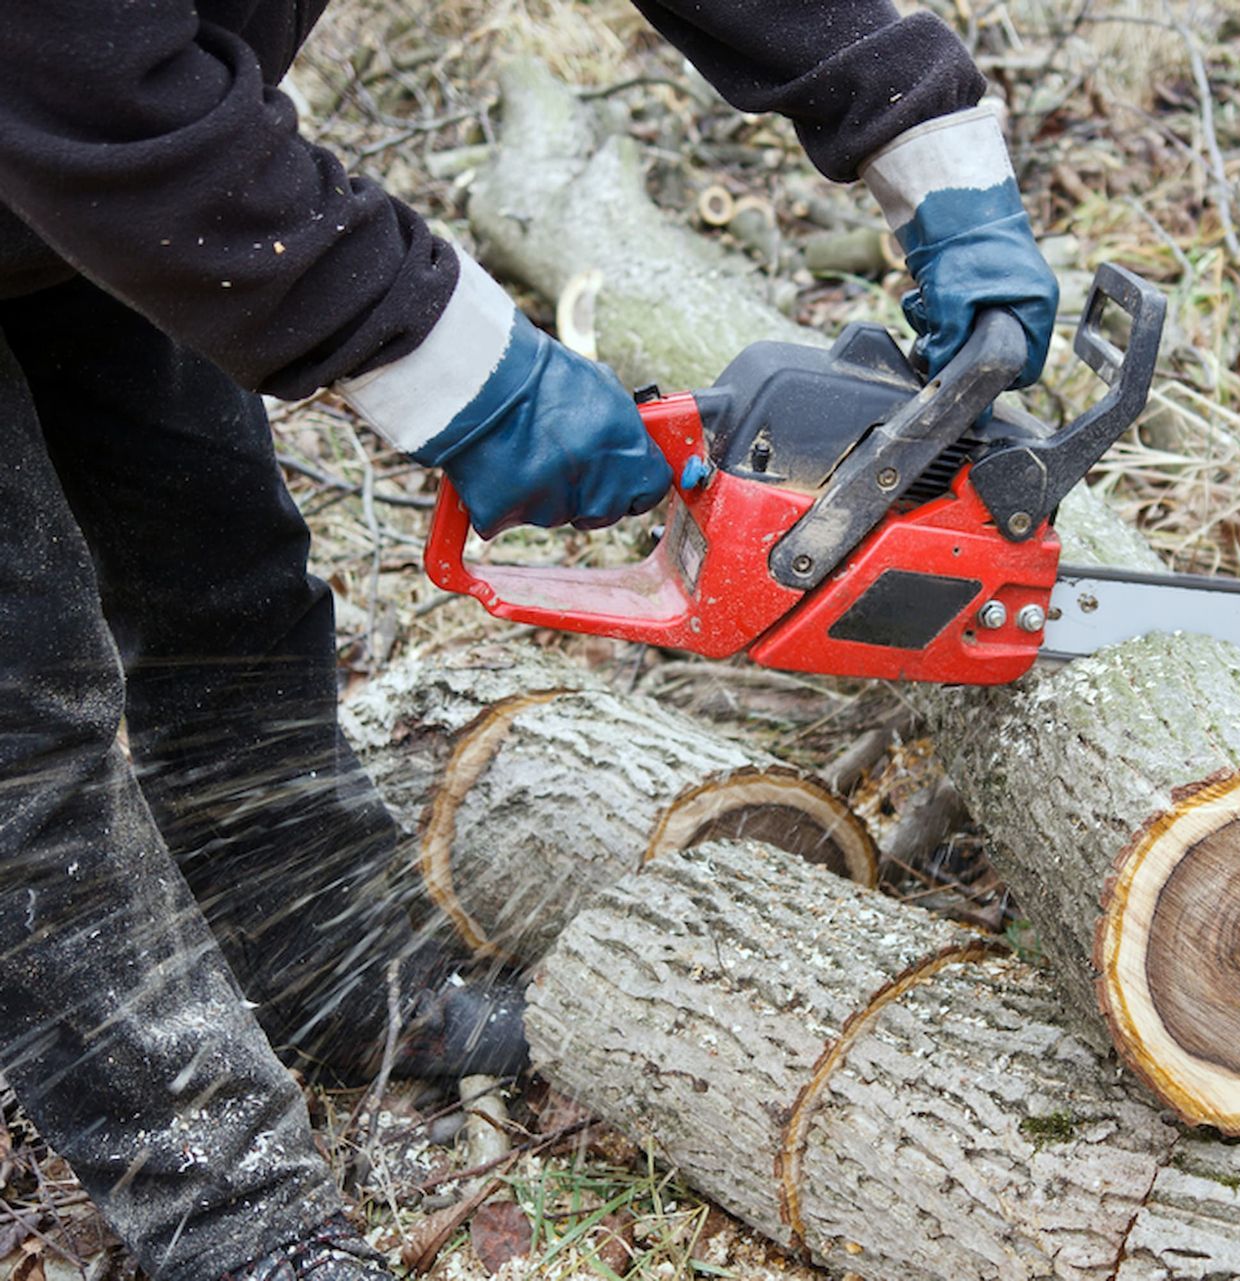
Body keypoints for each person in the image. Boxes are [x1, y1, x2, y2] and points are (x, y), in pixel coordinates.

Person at [0, 4, 1059, 1279]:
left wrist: (922, 135)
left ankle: (328, 972)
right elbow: (64, 66)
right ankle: (234, 1218)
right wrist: (447, 357)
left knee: (220, 565)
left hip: (79, 171)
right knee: (26, 734)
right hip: (77, 105)